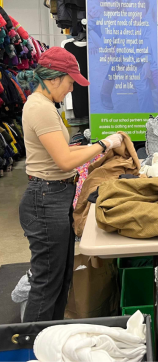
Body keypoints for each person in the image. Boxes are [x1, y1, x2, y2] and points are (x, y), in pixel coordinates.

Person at [16, 47, 123, 322]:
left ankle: (49, 335)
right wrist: (103, 144)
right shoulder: (40, 108)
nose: (71, 87)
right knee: (47, 283)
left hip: (53, 196)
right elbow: (64, 160)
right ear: (54, 78)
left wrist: (94, 148)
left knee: (60, 278)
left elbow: (63, 153)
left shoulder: (45, 106)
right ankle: (31, 345)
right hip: (45, 199)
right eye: (70, 81)